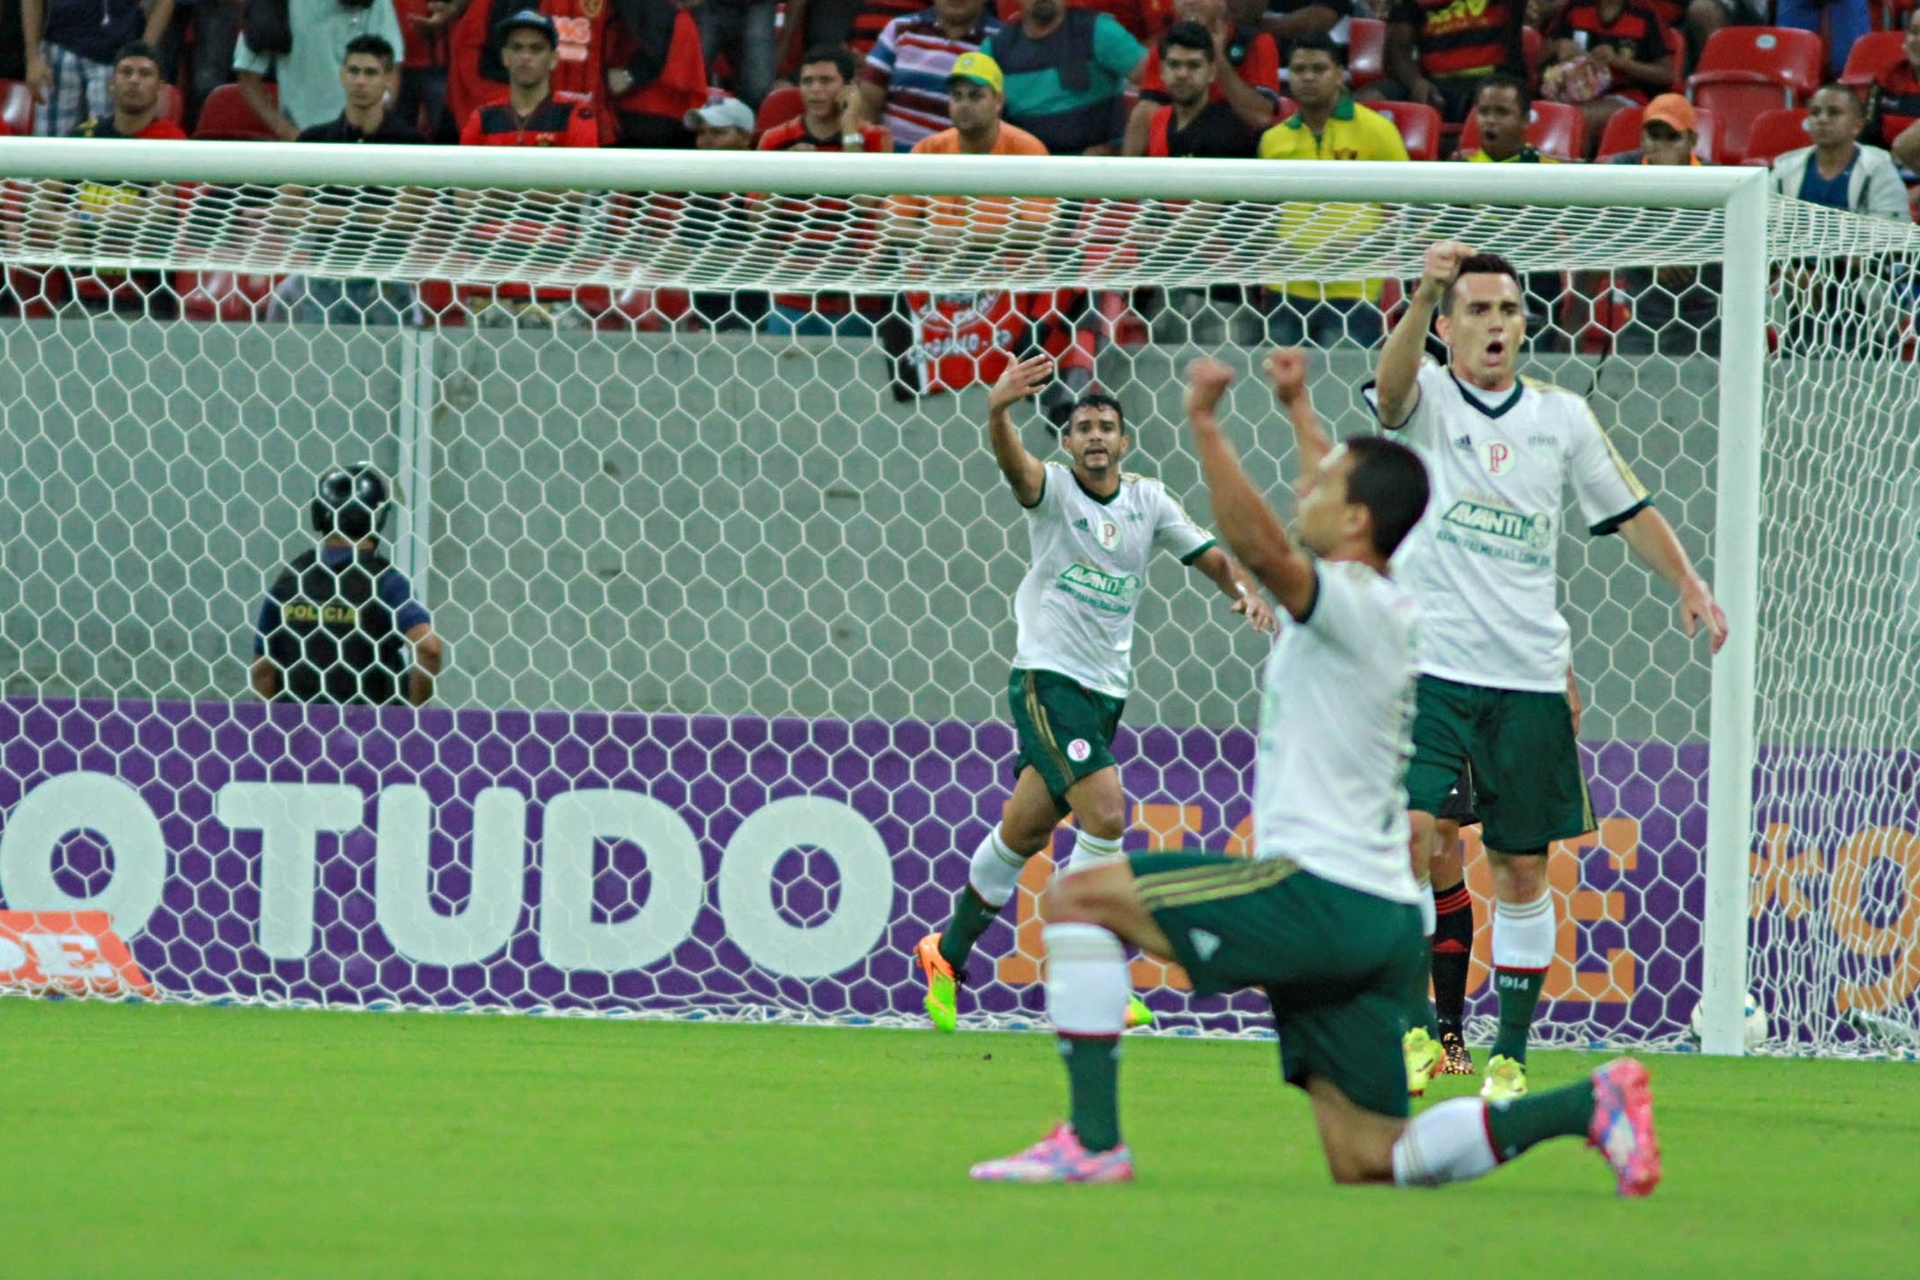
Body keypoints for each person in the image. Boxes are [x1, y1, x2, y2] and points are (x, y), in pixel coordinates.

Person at [967, 353, 1662, 1200]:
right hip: (1370, 923)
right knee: (1373, 1159)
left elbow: (1263, 545)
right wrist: (1297, 407)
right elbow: (1321, 501)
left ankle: (1094, 1141)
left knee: (1078, 900)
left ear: (1358, 519)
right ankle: (1590, 1104)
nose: (1307, 487)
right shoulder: (1382, 594)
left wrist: (1206, 425)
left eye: (1324, 483)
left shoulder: (1354, 604)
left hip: (1318, 894)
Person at [1371, 242, 1726, 1103]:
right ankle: (1422, 1033)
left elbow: (1629, 508)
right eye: (1479, 310)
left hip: (1527, 674)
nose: (1496, 325)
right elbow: (1385, 397)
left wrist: (1686, 580)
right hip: (1430, 667)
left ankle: (1510, 1058)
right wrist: (1419, 293)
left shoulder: (1561, 417)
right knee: (1411, 843)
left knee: (1520, 869)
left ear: (1525, 323)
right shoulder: (1427, 402)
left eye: (1508, 311)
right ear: (1448, 326)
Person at [914, 353, 1274, 1034]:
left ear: (1125, 439)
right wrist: (997, 412)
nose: (1096, 436)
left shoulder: (1148, 501)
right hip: (1048, 680)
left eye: (1107, 425)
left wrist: (1243, 593)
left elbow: (1209, 556)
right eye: (1083, 427)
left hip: (1104, 694)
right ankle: (1093, 974)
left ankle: (945, 953)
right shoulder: (1051, 490)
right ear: (1067, 441)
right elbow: (1013, 465)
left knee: (1021, 833)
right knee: (1106, 814)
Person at [1257, 34, 1408, 349]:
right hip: (1285, 289)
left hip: (1352, 292)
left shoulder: (1377, 132)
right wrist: (1270, 248)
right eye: (1299, 69)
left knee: (1344, 391)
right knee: (1279, 389)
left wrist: (1362, 248)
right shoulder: (1273, 140)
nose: (1308, 77)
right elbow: (1262, 216)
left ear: (1339, 74)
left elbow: (1409, 214)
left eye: (1319, 68)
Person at [252, 465, 444, 707]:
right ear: (377, 516)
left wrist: (271, 730)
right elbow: (429, 649)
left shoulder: (289, 580)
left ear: (319, 513)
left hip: (299, 736)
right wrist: (411, 715)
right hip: (371, 735)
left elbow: (263, 669)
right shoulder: (386, 583)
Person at [459, 10, 600, 325]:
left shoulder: (577, 113)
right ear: (505, 57)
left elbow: (575, 193)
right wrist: (543, 189)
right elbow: (464, 201)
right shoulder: (481, 117)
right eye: (518, 48)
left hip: (551, 285)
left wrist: (495, 190)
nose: (526, 56)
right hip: (487, 284)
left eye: (535, 49)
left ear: (553, 58)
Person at [272, 34, 424, 327]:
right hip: (325, 279)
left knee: (389, 369)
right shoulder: (316, 140)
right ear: (342, 75)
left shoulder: (409, 142)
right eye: (353, 71)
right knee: (320, 363)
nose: (360, 81)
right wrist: (374, 215)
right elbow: (282, 209)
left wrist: (325, 214)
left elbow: (407, 217)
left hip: (386, 280)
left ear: (388, 79)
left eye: (370, 72)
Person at [757, 46, 891, 338]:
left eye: (826, 81)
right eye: (808, 81)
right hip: (791, 297)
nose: (815, 90)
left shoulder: (875, 139)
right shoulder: (776, 140)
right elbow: (757, 222)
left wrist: (849, 127)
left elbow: (867, 201)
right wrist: (786, 177)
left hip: (856, 301)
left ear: (848, 87)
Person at [62, 42, 186, 318]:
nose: (134, 80)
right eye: (126, 72)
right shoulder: (83, 136)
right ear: (111, 83)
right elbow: (38, 201)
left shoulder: (169, 139)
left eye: (145, 74)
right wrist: (59, 223)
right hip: (77, 295)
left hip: (144, 299)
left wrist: (84, 221)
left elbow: (159, 210)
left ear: (160, 88)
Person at [1608, 94, 1720, 357]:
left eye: (1673, 137)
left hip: (1706, 318)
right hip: (1641, 319)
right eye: (1654, 136)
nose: (1662, 145)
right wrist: (1654, 255)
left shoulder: (1717, 181)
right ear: (1642, 138)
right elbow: (1607, 233)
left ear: (1692, 141)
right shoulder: (1622, 170)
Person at [985, 0, 1147, 156]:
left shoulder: (1098, 31)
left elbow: (1158, 80)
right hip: (1026, 172)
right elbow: (972, 108)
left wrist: (1122, 149)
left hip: (1097, 171)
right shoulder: (996, 49)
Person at [233, 0, 407, 140]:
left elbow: (391, 67)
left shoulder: (376, 3)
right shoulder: (272, 3)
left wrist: (375, 126)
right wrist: (285, 130)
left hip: (363, 140)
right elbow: (248, 75)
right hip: (304, 140)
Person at [1125, 0, 1279, 147]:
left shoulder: (1257, 43)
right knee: (1143, 111)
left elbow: (1261, 118)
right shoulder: (1166, 48)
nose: (1190, 2)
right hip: (1181, 152)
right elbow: (1146, 111)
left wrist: (1217, 58)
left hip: (1241, 156)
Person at [856, 0, 999, 151]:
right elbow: (867, 103)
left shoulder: (1000, 41)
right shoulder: (900, 28)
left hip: (959, 166)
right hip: (893, 164)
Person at [1540, 0, 1674, 158]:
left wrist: (1619, 62)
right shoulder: (1575, 7)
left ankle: (1574, 176)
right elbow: (1539, 57)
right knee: (1543, 107)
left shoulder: (1645, 13)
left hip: (1627, 95)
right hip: (1575, 89)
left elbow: (1666, 74)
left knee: (1580, 116)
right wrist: (1558, 47)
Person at [21, 0, 174, 137]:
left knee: (111, 150)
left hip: (117, 55)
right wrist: (33, 58)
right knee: (50, 154)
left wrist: (142, 53)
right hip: (58, 50)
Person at [1768, 84, 1910, 222]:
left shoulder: (1878, 169)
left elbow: (1894, 237)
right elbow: (1764, 226)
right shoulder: (1785, 170)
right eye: (1815, 113)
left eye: (1834, 112)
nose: (1822, 119)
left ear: (1857, 126)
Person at [1377, 0, 1523, 123]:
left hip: (1492, 81)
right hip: (1433, 85)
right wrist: (1415, 82)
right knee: (1371, 99)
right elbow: (1397, 47)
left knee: (1494, 102)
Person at [698, 0, 777, 108]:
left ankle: (750, 122)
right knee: (687, 77)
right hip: (709, 5)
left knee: (759, 89)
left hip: (758, 5)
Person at [1870, 8, 1920, 169]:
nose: (1918, 40)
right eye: (1913, 31)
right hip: (1890, 179)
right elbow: (1869, 144)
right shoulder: (1888, 80)